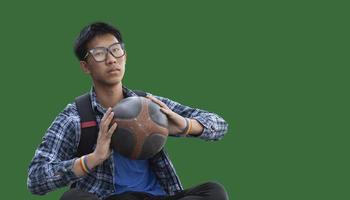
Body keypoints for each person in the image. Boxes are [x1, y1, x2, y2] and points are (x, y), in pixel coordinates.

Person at [27, 22, 229, 200]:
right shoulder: (75, 117)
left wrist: (186, 126)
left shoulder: (149, 104)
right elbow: (36, 179)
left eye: (116, 50)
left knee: (213, 191)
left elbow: (219, 124)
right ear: (85, 66)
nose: (111, 59)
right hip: (110, 197)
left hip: (157, 196)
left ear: (125, 56)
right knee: (72, 197)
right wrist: (93, 159)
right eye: (99, 53)